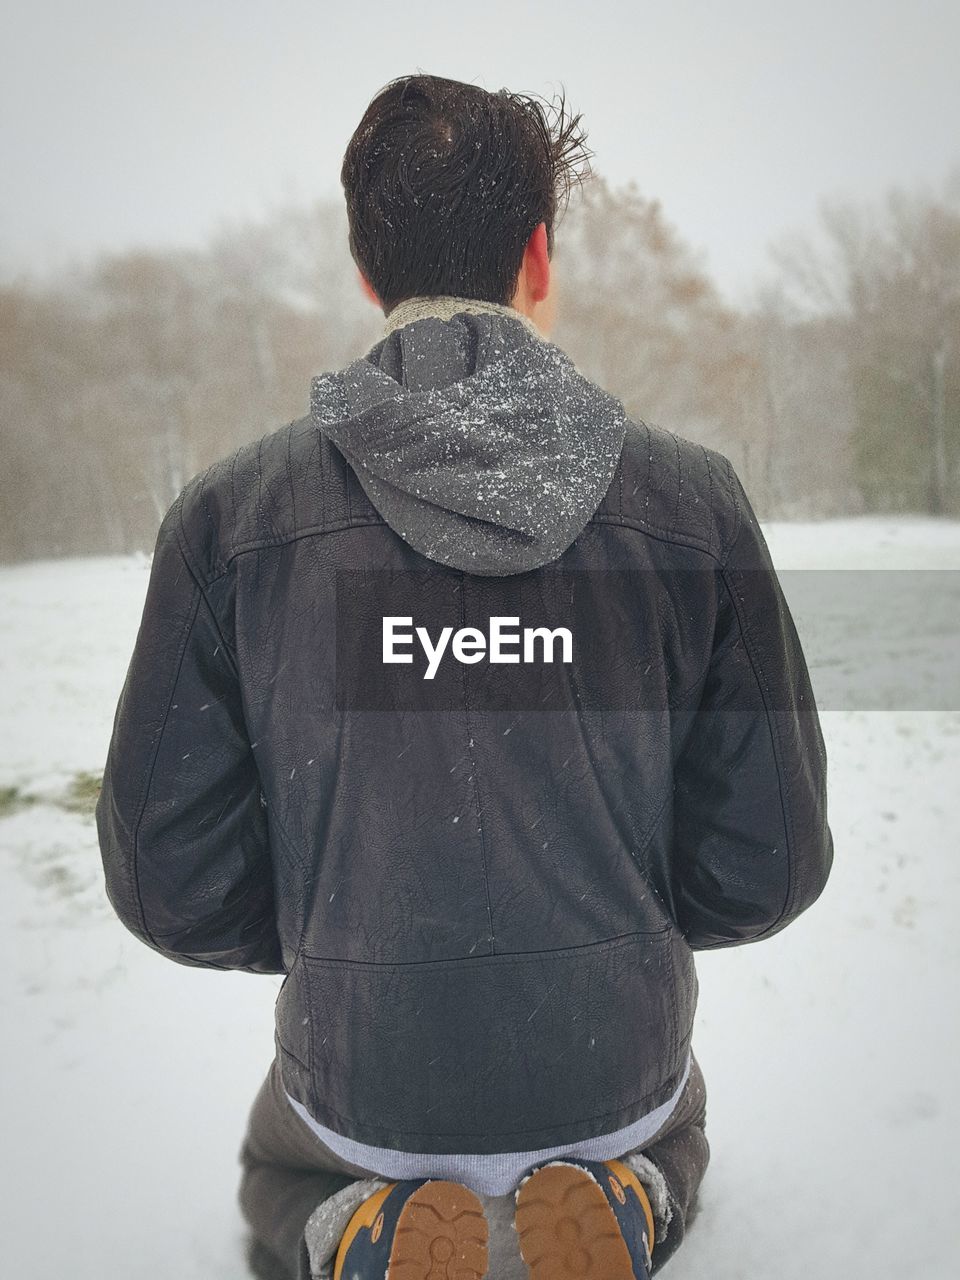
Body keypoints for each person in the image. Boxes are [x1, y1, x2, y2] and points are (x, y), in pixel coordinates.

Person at [95, 73, 833, 1280]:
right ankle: (636, 1195)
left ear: (363, 265)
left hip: (361, 1093)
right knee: (680, 1120)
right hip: (618, 1070)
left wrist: (336, 932)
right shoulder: (693, 506)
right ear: (539, 255)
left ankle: (349, 1224)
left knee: (272, 1167)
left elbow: (166, 880)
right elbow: (772, 859)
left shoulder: (228, 519)